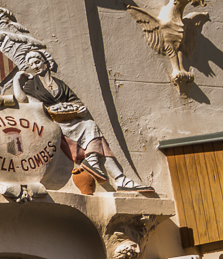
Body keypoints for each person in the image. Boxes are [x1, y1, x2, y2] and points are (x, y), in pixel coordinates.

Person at [12, 49, 152, 192]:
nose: (35, 66)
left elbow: (75, 102)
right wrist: (17, 79)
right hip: (52, 123)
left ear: (46, 64)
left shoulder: (59, 84)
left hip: (69, 120)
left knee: (90, 125)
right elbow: (22, 99)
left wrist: (79, 109)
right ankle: (116, 176)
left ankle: (99, 165)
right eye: (32, 64)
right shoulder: (32, 84)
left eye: (37, 62)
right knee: (96, 136)